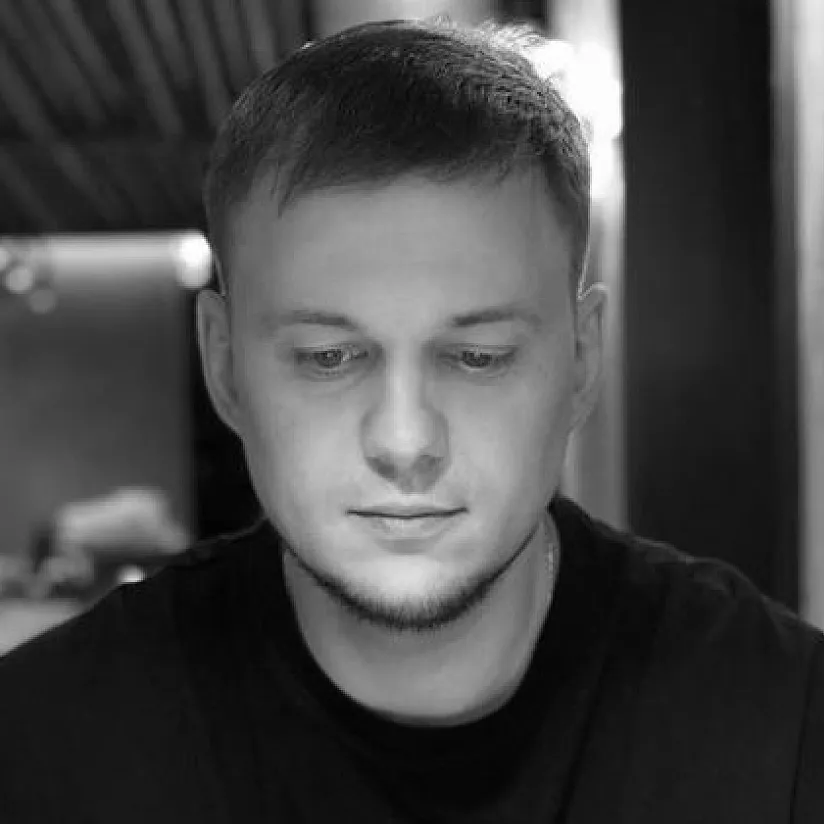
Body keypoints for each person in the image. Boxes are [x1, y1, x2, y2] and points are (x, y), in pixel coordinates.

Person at [0, 17, 822, 823]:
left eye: (478, 357)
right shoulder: (45, 749)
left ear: (580, 359)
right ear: (224, 368)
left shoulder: (781, 727)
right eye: (328, 357)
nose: (405, 442)